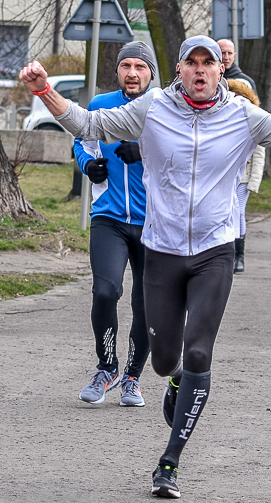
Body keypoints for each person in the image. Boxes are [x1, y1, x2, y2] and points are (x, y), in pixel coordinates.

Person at [19, 35, 271, 499]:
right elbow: (86, 123)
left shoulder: (243, 115)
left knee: (200, 352)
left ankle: (169, 462)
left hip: (214, 253)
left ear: (220, 71)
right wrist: (45, 89)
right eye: (191, 63)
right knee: (166, 363)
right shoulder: (152, 109)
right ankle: (176, 379)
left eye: (209, 63)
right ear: (178, 70)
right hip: (162, 252)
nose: (201, 70)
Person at [74, 41, 155, 407]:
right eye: (126, 66)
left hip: (155, 222)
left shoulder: (165, 108)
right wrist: (86, 165)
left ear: (151, 73)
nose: (132, 73)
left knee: (147, 303)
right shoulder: (100, 105)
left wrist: (144, 150)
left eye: (140, 66)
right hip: (108, 216)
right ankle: (106, 367)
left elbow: (185, 152)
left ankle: (133, 378)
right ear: (118, 70)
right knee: (105, 292)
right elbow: (83, 141)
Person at [225, 79, 265, 273]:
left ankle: (238, 255)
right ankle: (226, 252)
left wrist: (254, 182)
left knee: (238, 212)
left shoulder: (254, 119)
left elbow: (259, 154)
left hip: (244, 179)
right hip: (225, 178)